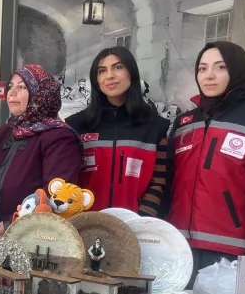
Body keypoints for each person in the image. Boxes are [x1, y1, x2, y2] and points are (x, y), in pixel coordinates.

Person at [166, 41, 245, 285]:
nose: (209, 75)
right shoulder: (184, 123)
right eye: (202, 68)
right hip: (178, 252)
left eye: (220, 67)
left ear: (237, 71)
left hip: (231, 258)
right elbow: (167, 186)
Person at [0, 64, 82, 233]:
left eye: (22, 87)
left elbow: (56, 193)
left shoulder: (60, 137)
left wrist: (13, 222)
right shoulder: (2, 133)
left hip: (33, 234)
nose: (12, 92)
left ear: (41, 94)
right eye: (10, 86)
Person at [66, 47, 169, 217]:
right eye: (102, 71)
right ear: (96, 80)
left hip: (134, 226)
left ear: (131, 73)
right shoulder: (76, 125)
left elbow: (158, 182)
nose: (109, 76)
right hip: (85, 225)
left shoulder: (155, 127)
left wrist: (140, 222)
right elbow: (68, 181)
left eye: (118, 67)